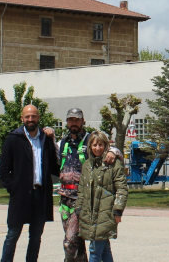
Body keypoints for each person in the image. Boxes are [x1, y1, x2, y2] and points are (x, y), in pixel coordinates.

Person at [57, 108, 122, 262]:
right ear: (67, 122)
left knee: (71, 242)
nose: (74, 123)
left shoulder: (90, 140)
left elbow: (108, 147)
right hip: (66, 201)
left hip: (86, 200)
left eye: (77, 120)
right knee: (93, 242)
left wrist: (113, 152)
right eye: (71, 120)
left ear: (83, 121)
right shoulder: (62, 143)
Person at [0, 104, 59, 262]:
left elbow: (55, 165)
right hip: (20, 196)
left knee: (36, 237)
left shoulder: (45, 139)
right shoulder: (13, 138)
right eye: (27, 116)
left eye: (33, 116)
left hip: (40, 196)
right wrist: (13, 188)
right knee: (12, 235)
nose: (30, 119)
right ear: (22, 118)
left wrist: (53, 139)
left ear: (38, 118)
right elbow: (4, 170)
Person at [77, 131, 128, 262]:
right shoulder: (87, 165)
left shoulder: (113, 164)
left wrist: (118, 210)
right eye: (94, 145)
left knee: (94, 250)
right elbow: (82, 190)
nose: (97, 148)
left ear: (106, 145)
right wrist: (79, 209)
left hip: (106, 213)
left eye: (100, 144)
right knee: (104, 249)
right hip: (89, 213)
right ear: (90, 146)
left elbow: (122, 188)